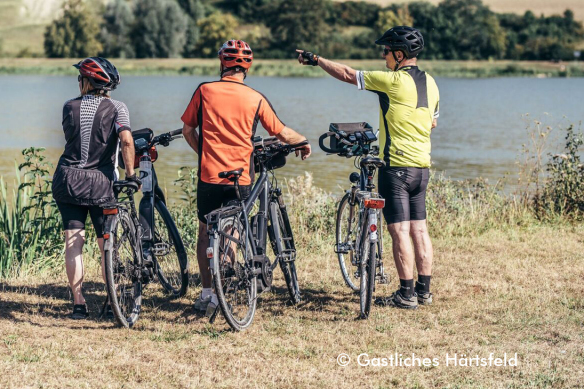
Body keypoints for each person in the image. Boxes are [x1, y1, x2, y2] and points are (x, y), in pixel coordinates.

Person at [297, 26, 439, 309]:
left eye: (386, 52)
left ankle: (406, 294)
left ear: (399, 55)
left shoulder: (393, 80)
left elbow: (350, 74)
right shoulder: (431, 82)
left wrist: (317, 60)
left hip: (396, 167)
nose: (383, 57)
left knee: (398, 231)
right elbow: (432, 122)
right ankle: (424, 291)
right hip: (421, 167)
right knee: (419, 230)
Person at [181, 39, 311, 313]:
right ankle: (226, 288)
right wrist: (303, 141)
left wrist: (203, 153)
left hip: (208, 175)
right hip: (241, 178)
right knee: (232, 230)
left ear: (222, 63)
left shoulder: (204, 91)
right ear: (247, 68)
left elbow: (187, 130)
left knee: (205, 231)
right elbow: (282, 133)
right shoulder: (256, 98)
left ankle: (208, 294)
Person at [51, 57, 137, 320]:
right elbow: (126, 141)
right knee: (105, 245)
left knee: (73, 242)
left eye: (80, 78)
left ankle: (78, 304)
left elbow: (74, 138)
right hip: (101, 183)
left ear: (86, 82)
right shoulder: (118, 107)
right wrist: (131, 175)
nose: (78, 82)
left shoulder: (69, 107)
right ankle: (113, 301)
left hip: (68, 180)